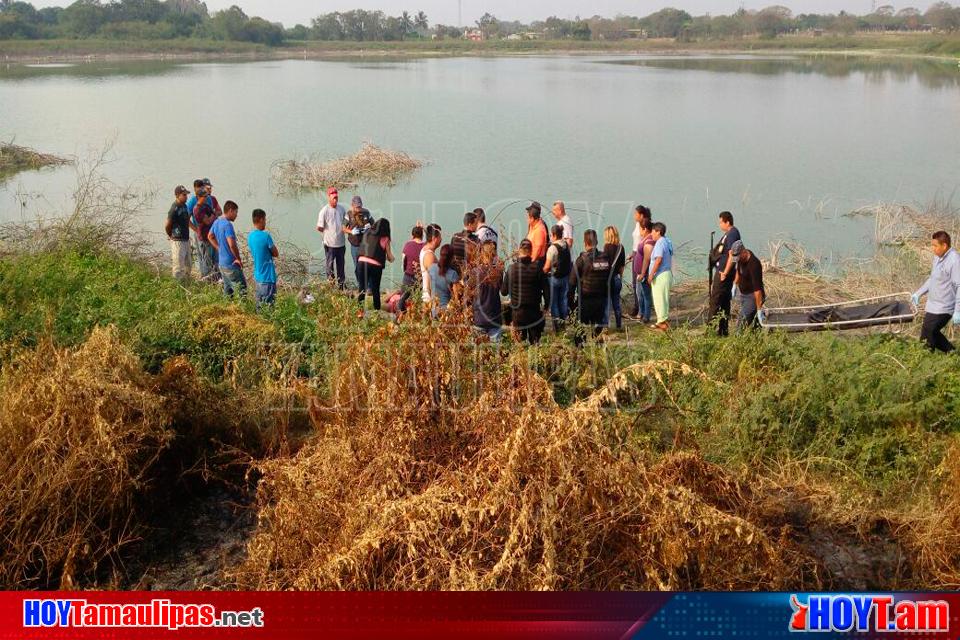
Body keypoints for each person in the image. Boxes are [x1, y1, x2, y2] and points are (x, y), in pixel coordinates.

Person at [912, 231, 960, 352]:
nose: (932, 249)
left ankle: (925, 357)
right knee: (930, 333)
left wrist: (957, 311)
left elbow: (959, 286)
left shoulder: (954, 261)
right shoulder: (937, 258)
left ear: (944, 246)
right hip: (933, 305)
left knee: (928, 333)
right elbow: (933, 278)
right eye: (932, 245)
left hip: (944, 307)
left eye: (935, 246)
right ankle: (952, 353)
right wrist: (919, 293)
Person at [501, 239, 550, 344]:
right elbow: (547, 290)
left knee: (519, 344)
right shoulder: (538, 268)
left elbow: (503, 292)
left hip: (517, 314)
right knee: (535, 343)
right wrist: (546, 307)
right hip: (534, 312)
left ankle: (520, 359)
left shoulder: (511, 269)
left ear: (519, 250)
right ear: (531, 251)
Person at [570, 229, 611, 344]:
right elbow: (610, 279)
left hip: (585, 301)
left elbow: (572, 284)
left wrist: (571, 304)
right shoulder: (605, 258)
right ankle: (599, 353)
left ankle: (580, 354)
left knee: (580, 333)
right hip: (601, 301)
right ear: (597, 242)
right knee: (598, 334)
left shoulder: (581, 260)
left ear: (585, 242)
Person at [708, 211, 742, 336]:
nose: (720, 225)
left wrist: (725, 272)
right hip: (722, 271)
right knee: (723, 302)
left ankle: (710, 331)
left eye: (721, 222)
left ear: (727, 222)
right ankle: (723, 330)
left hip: (724, 274)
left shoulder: (732, 234)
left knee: (715, 301)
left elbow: (733, 255)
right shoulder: (728, 234)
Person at [209, 200, 247, 297]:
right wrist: (238, 258)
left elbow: (210, 236)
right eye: (236, 212)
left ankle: (227, 308)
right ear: (230, 211)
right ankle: (242, 310)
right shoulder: (227, 225)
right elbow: (232, 245)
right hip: (231, 264)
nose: (236, 215)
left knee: (228, 290)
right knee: (241, 290)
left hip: (222, 264)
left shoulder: (217, 222)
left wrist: (219, 248)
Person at [357, 218, 394, 314]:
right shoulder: (385, 238)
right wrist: (392, 259)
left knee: (362, 288)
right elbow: (389, 256)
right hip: (375, 265)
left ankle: (360, 312)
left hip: (361, 261)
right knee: (375, 289)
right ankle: (376, 312)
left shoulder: (367, 232)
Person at [470, 240, 504, 341]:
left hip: (479, 317)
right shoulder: (498, 272)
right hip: (495, 317)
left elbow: (469, 292)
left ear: (481, 253)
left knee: (477, 354)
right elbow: (502, 290)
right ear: (494, 254)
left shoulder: (475, 272)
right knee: (495, 354)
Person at [543, 224, 572, 333]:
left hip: (554, 278)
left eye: (551, 234)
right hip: (565, 277)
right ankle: (563, 324)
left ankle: (557, 326)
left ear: (554, 235)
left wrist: (540, 272)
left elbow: (546, 267)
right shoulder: (565, 244)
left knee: (554, 303)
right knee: (563, 301)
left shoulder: (552, 248)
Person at [248, 208, 279, 309]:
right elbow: (275, 253)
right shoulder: (266, 236)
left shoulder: (250, 236)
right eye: (265, 219)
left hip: (258, 277)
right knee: (269, 307)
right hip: (268, 278)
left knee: (259, 307)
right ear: (261, 220)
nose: (265, 222)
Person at [317, 187, 346, 289]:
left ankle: (341, 286)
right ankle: (331, 286)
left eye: (336, 197)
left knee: (341, 266)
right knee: (329, 266)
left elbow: (345, 223)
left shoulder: (342, 209)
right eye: (333, 197)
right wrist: (327, 233)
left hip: (341, 243)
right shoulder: (324, 211)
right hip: (329, 244)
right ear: (328, 197)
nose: (335, 199)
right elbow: (319, 227)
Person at [731, 241, 764, 331]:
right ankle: (757, 338)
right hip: (743, 295)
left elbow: (758, 290)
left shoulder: (754, 265)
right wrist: (734, 284)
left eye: (738, 257)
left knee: (741, 325)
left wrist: (759, 309)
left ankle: (737, 342)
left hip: (752, 296)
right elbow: (738, 271)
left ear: (743, 251)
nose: (737, 260)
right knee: (754, 326)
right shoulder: (740, 259)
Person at [344, 195, 374, 290]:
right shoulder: (349, 214)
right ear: (352, 205)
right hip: (355, 245)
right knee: (357, 267)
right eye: (357, 207)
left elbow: (374, 225)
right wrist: (351, 231)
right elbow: (343, 228)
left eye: (360, 206)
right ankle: (361, 286)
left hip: (365, 244)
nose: (359, 209)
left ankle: (369, 287)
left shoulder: (366, 212)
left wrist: (370, 227)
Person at [628, 205, 652, 318]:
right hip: (636, 254)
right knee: (635, 284)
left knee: (640, 283)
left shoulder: (645, 226)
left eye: (635, 213)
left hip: (642, 255)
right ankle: (638, 306)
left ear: (641, 215)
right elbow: (636, 242)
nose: (634, 215)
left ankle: (641, 309)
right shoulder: (637, 225)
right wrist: (632, 254)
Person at [649, 222, 674, 331]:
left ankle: (663, 322)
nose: (651, 234)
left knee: (660, 299)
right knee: (661, 298)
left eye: (653, 232)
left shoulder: (660, 243)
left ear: (658, 232)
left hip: (661, 275)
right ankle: (661, 320)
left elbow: (658, 259)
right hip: (665, 274)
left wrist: (651, 274)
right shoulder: (666, 241)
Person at [165, 185, 192, 282]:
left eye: (186, 195)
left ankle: (187, 284)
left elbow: (186, 220)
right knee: (178, 266)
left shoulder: (184, 206)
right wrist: (171, 235)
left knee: (188, 264)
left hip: (185, 239)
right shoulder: (174, 208)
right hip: (177, 241)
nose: (186, 197)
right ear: (177, 195)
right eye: (184, 195)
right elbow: (167, 225)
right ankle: (177, 287)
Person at [632, 218, 656, 323]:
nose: (640, 233)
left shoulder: (649, 241)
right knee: (640, 294)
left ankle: (646, 317)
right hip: (640, 272)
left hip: (644, 273)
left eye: (640, 230)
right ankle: (641, 313)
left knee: (646, 294)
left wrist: (642, 273)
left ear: (645, 229)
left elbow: (647, 258)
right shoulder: (645, 239)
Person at [603, 226, 627, 330]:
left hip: (608, 279)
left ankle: (606, 326)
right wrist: (620, 277)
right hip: (617, 278)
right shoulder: (621, 247)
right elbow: (622, 266)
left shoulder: (606, 247)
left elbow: (605, 265)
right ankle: (618, 325)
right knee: (616, 303)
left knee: (607, 304)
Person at [398, 224, 425, 313]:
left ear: (412, 235)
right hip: (421, 277)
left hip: (408, 275)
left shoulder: (408, 244)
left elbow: (403, 261)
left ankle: (402, 315)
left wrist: (405, 271)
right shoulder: (425, 246)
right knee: (419, 298)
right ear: (422, 235)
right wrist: (424, 228)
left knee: (403, 298)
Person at [193, 188, 219, 281]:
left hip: (212, 236)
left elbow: (216, 213)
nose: (206, 198)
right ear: (199, 197)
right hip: (204, 237)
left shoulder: (206, 206)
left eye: (206, 196)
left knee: (215, 259)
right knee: (206, 260)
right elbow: (207, 221)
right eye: (204, 196)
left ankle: (216, 278)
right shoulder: (197, 209)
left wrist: (212, 216)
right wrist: (213, 216)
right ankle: (207, 280)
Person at [429, 244, 461, 312]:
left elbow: (429, 289)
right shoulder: (453, 274)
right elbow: (456, 298)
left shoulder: (432, 268)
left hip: (433, 309)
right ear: (452, 258)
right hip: (446, 312)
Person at [420, 224, 442, 304]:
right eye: (440, 237)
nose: (441, 239)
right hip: (430, 300)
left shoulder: (424, 249)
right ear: (434, 239)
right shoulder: (429, 256)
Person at [525, 202, 549, 268]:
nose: (526, 219)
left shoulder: (539, 230)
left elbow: (537, 249)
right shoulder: (532, 226)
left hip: (536, 262)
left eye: (528, 217)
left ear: (532, 218)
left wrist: (530, 265)